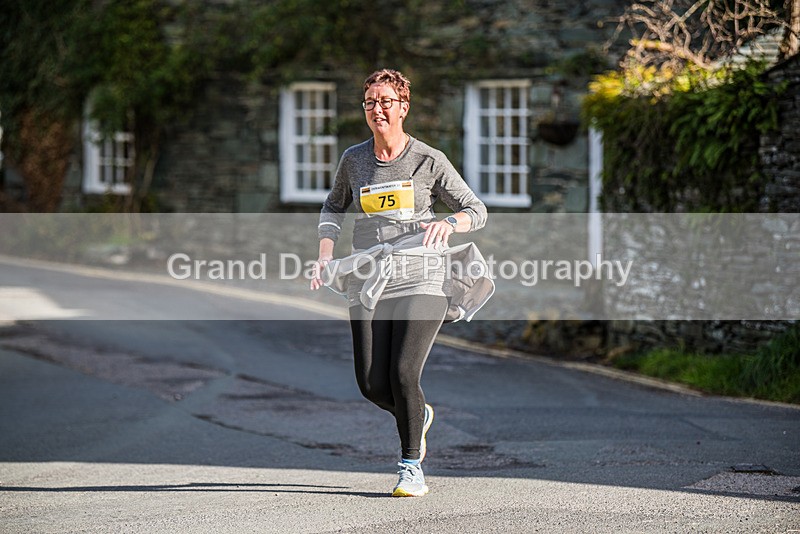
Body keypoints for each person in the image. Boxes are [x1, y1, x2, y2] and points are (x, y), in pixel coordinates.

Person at [310, 68, 487, 497]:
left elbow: (475, 208)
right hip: (369, 273)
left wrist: (452, 222)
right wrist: (325, 254)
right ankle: (419, 415)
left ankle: (411, 467)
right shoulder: (354, 159)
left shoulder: (429, 159)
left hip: (421, 272)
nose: (377, 109)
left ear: (404, 107)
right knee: (372, 383)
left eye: (386, 101)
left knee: (404, 372)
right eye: (370, 102)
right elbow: (334, 206)